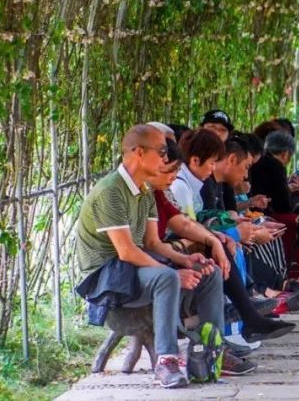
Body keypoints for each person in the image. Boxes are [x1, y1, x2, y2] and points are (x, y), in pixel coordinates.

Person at [74, 124, 244, 388]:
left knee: (206, 272)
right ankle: (166, 360)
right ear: (139, 152)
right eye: (162, 151)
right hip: (105, 278)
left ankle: (211, 349)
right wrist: (173, 273)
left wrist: (187, 262)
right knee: (167, 278)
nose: (166, 158)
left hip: (131, 269)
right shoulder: (111, 191)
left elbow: (153, 241)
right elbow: (126, 250)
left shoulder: (145, 191)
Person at [147, 145, 294, 348]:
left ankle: (217, 344)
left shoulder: (157, 192)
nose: (173, 176)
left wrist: (213, 238)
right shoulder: (157, 189)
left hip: (163, 253)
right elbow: (144, 244)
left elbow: (183, 223)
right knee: (216, 253)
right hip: (137, 266)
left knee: (216, 258)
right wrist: (180, 260)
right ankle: (241, 316)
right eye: (168, 170)